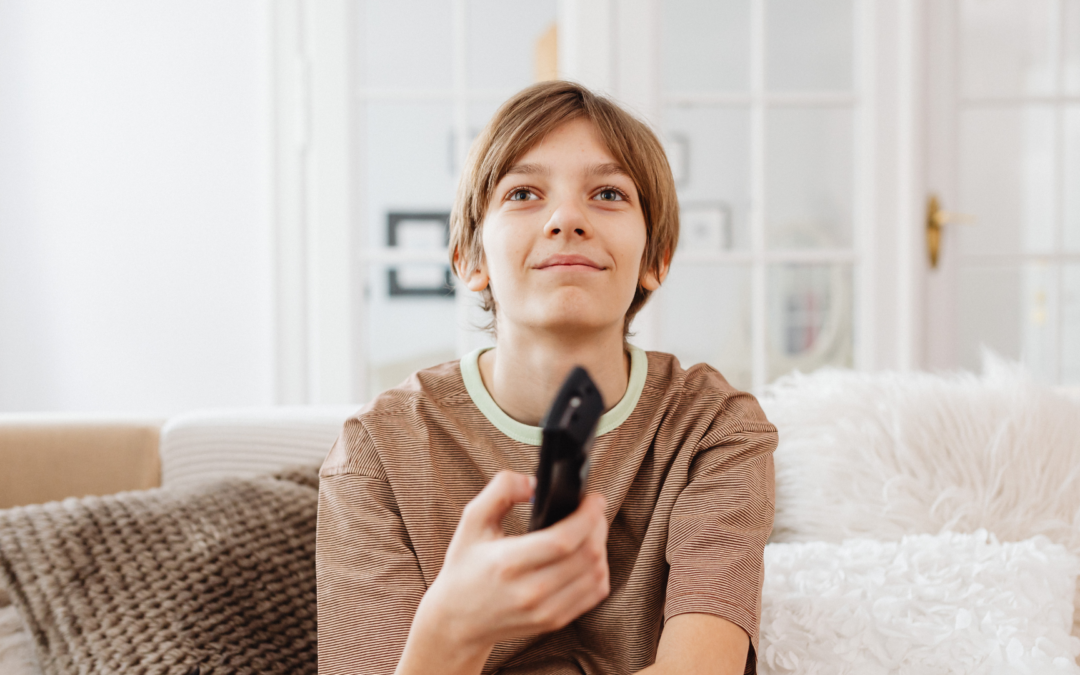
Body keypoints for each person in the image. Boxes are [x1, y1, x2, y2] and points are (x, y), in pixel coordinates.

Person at [316, 80, 777, 675]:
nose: (567, 218)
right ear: (471, 259)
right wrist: (451, 624)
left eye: (608, 193)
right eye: (524, 193)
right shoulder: (375, 452)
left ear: (656, 258)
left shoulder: (715, 429)